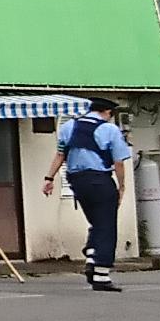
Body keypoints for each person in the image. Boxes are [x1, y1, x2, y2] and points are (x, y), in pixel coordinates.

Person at [42, 97, 134, 290]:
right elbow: (118, 161)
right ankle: (101, 274)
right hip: (99, 179)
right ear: (107, 113)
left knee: (97, 221)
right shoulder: (110, 130)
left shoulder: (69, 127)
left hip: (76, 180)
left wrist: (49, 179)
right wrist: (122, 185)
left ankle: (92, 253)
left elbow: (60, 154)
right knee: (107, 224)